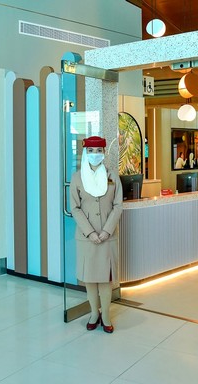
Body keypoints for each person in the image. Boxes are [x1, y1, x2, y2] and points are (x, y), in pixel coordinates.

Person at [69, 136, 123, 333]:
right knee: (90, 279)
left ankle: (106, 316)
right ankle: (94, 313)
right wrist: (90, 232)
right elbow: (75, 208)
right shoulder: (77, 177)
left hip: (108, 236)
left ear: (103, 152)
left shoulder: (112, 176)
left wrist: (106, 231)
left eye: (98, 150)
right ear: (85, 153)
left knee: (105, 279)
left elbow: (118, 205)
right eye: (91, 151)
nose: (95, 154)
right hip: (87, 238)